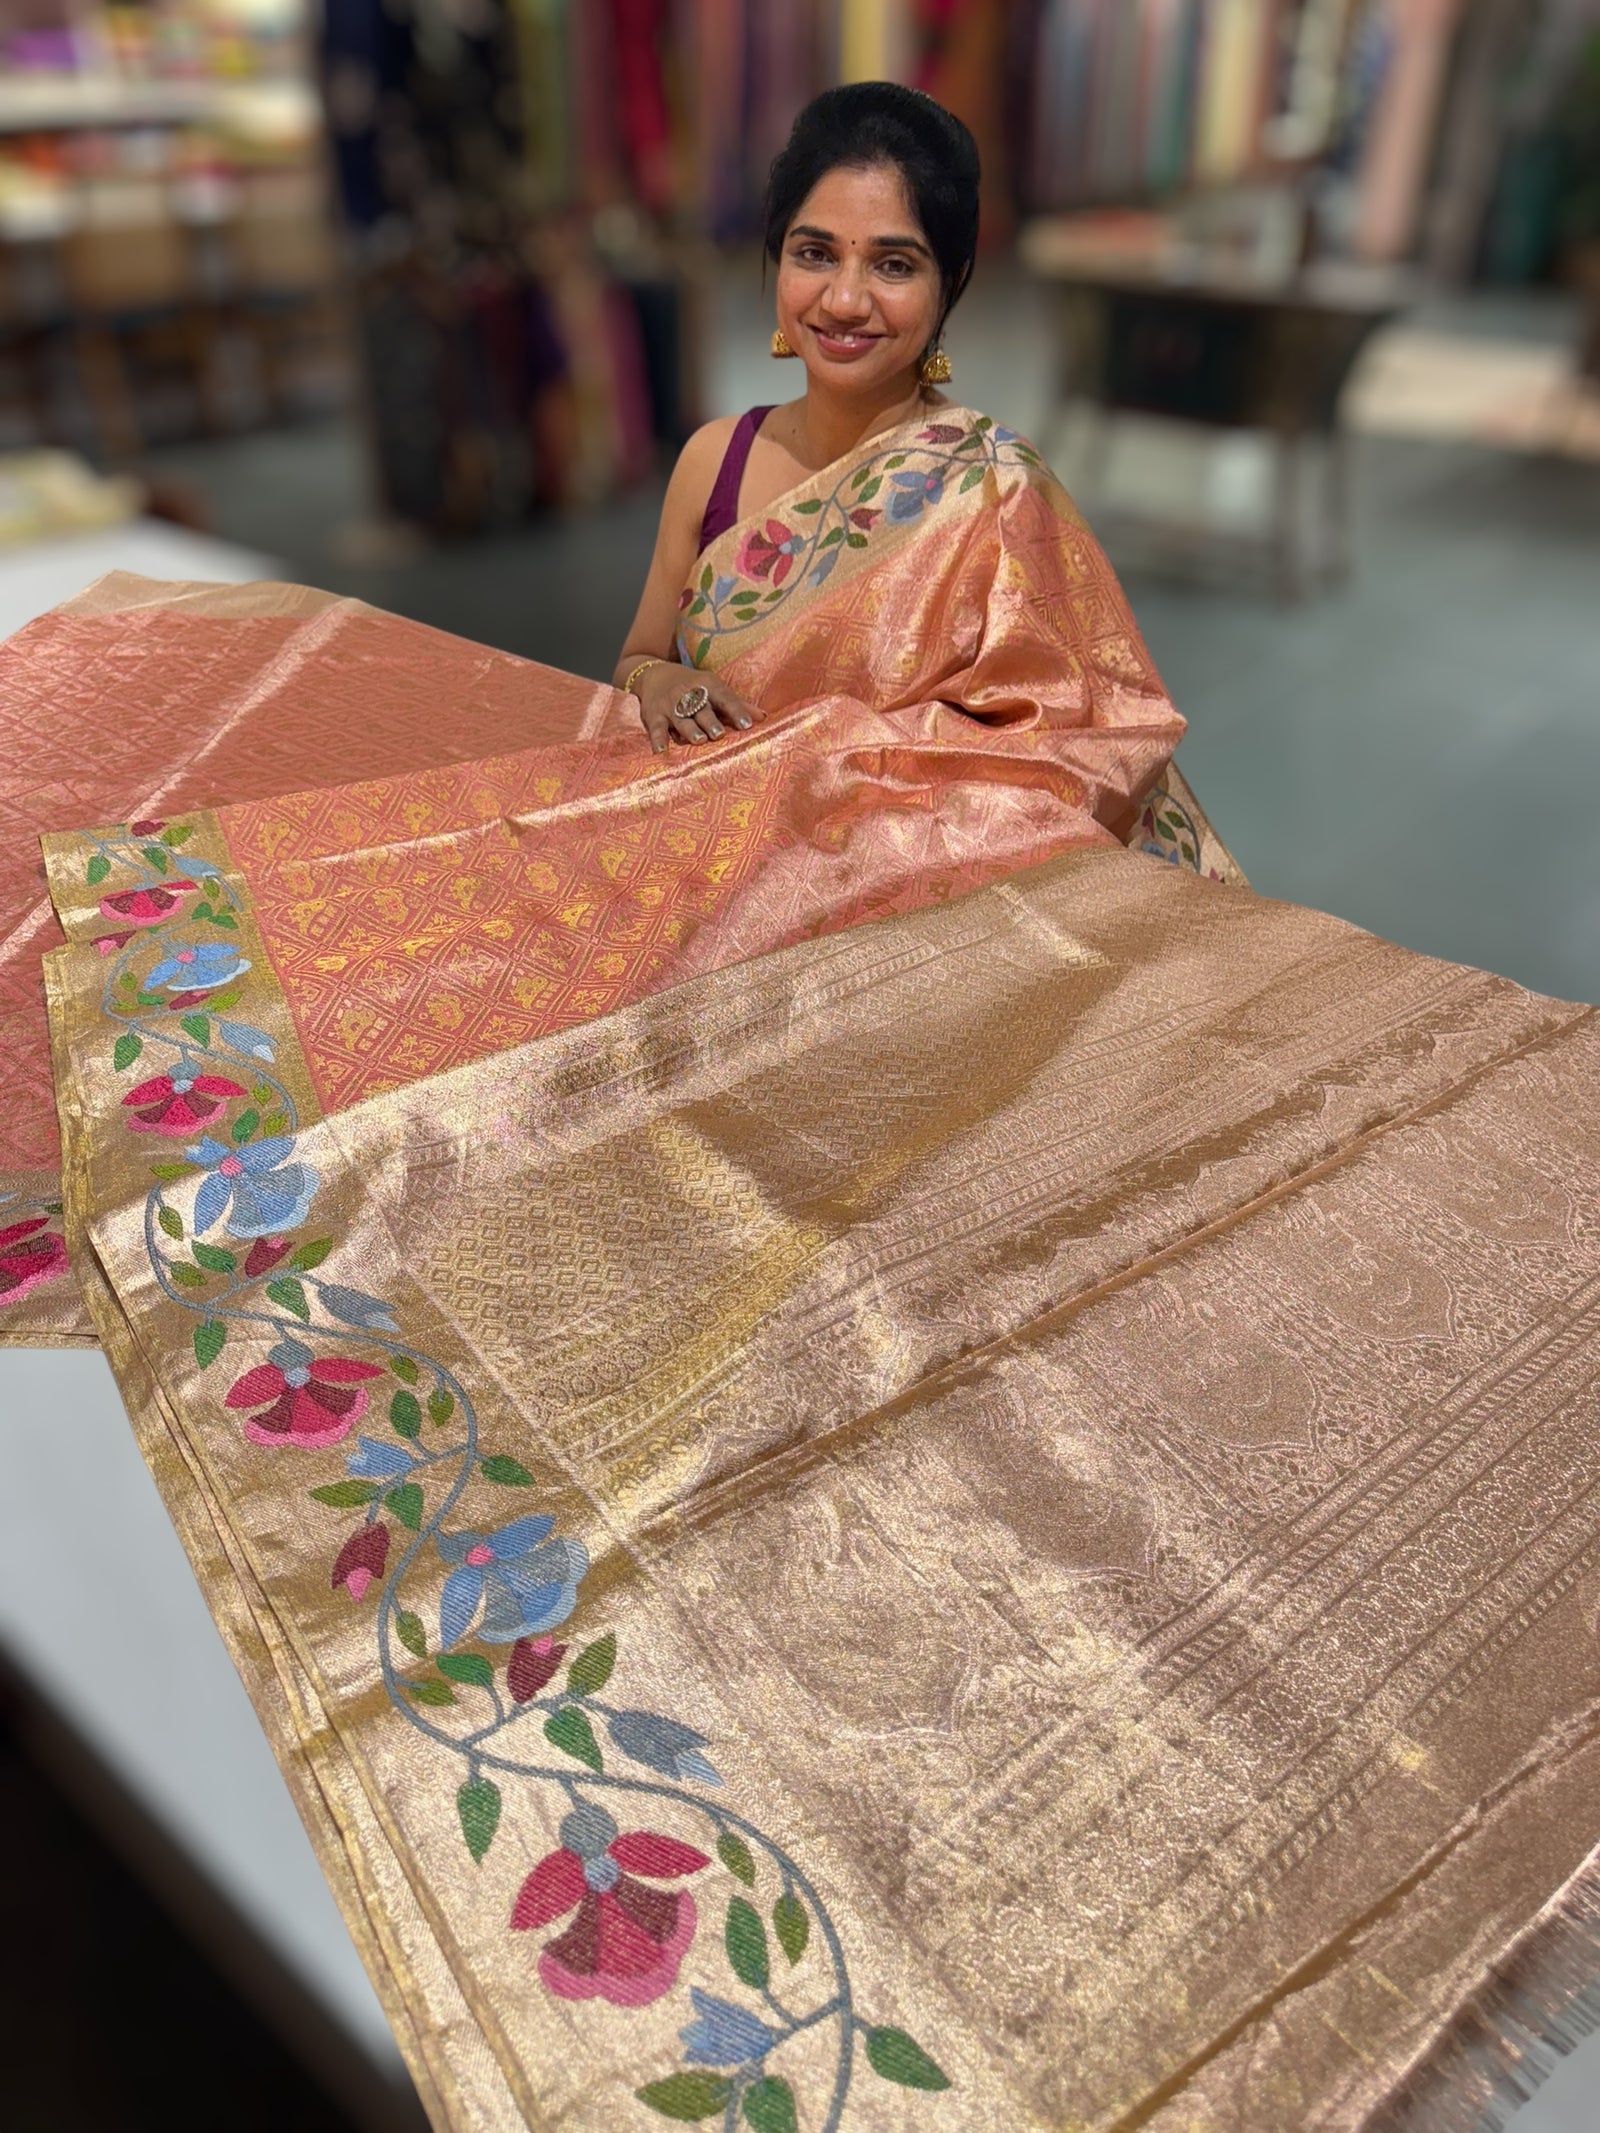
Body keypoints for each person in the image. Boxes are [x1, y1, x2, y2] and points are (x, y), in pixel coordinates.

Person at [610, 81, 1185, 857]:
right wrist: (660, 681)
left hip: (927, 911)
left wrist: (860, 786)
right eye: (814, 253)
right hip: (719, 869)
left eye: (893, 265)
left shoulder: (993, 491)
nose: (845, 300)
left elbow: (1098, 745)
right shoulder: (715, 461)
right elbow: (638, 659)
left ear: (951, 283)